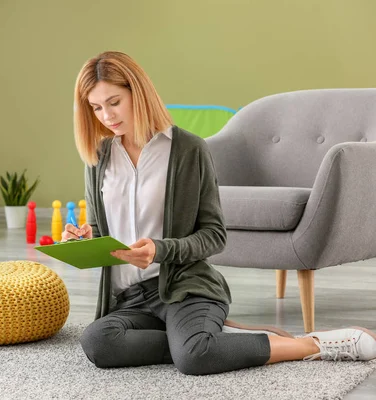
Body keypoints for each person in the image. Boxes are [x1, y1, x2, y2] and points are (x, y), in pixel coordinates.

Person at [64, 51, 376, 375]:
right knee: (98, 342)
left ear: (137, 93)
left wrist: (161, 250)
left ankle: (312, 344)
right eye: (96, 107)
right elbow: (100, 230)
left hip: (185, 288)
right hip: (130, 297)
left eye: (114, 102)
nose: (107, 116)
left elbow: (215, 236)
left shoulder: (187, 150)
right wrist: (84, 238)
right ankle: (204, 337)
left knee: (195, 359)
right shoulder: (99, 157)